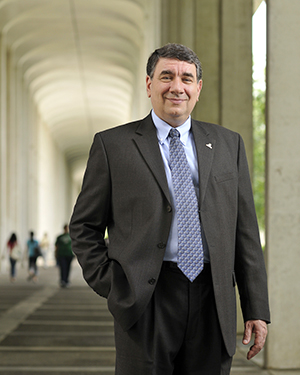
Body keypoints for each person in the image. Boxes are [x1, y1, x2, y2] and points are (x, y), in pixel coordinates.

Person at [69, 43, 270, 375]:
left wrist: (256, 307)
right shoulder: (113, 146)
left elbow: (245, 232)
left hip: (213, 299)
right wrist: (117, 285)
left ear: (198, 88)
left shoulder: (227, 144)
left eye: (186, 78)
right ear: (149, 85)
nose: (177, 87)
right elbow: (83, 227)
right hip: (146, 298)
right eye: (167, 76)